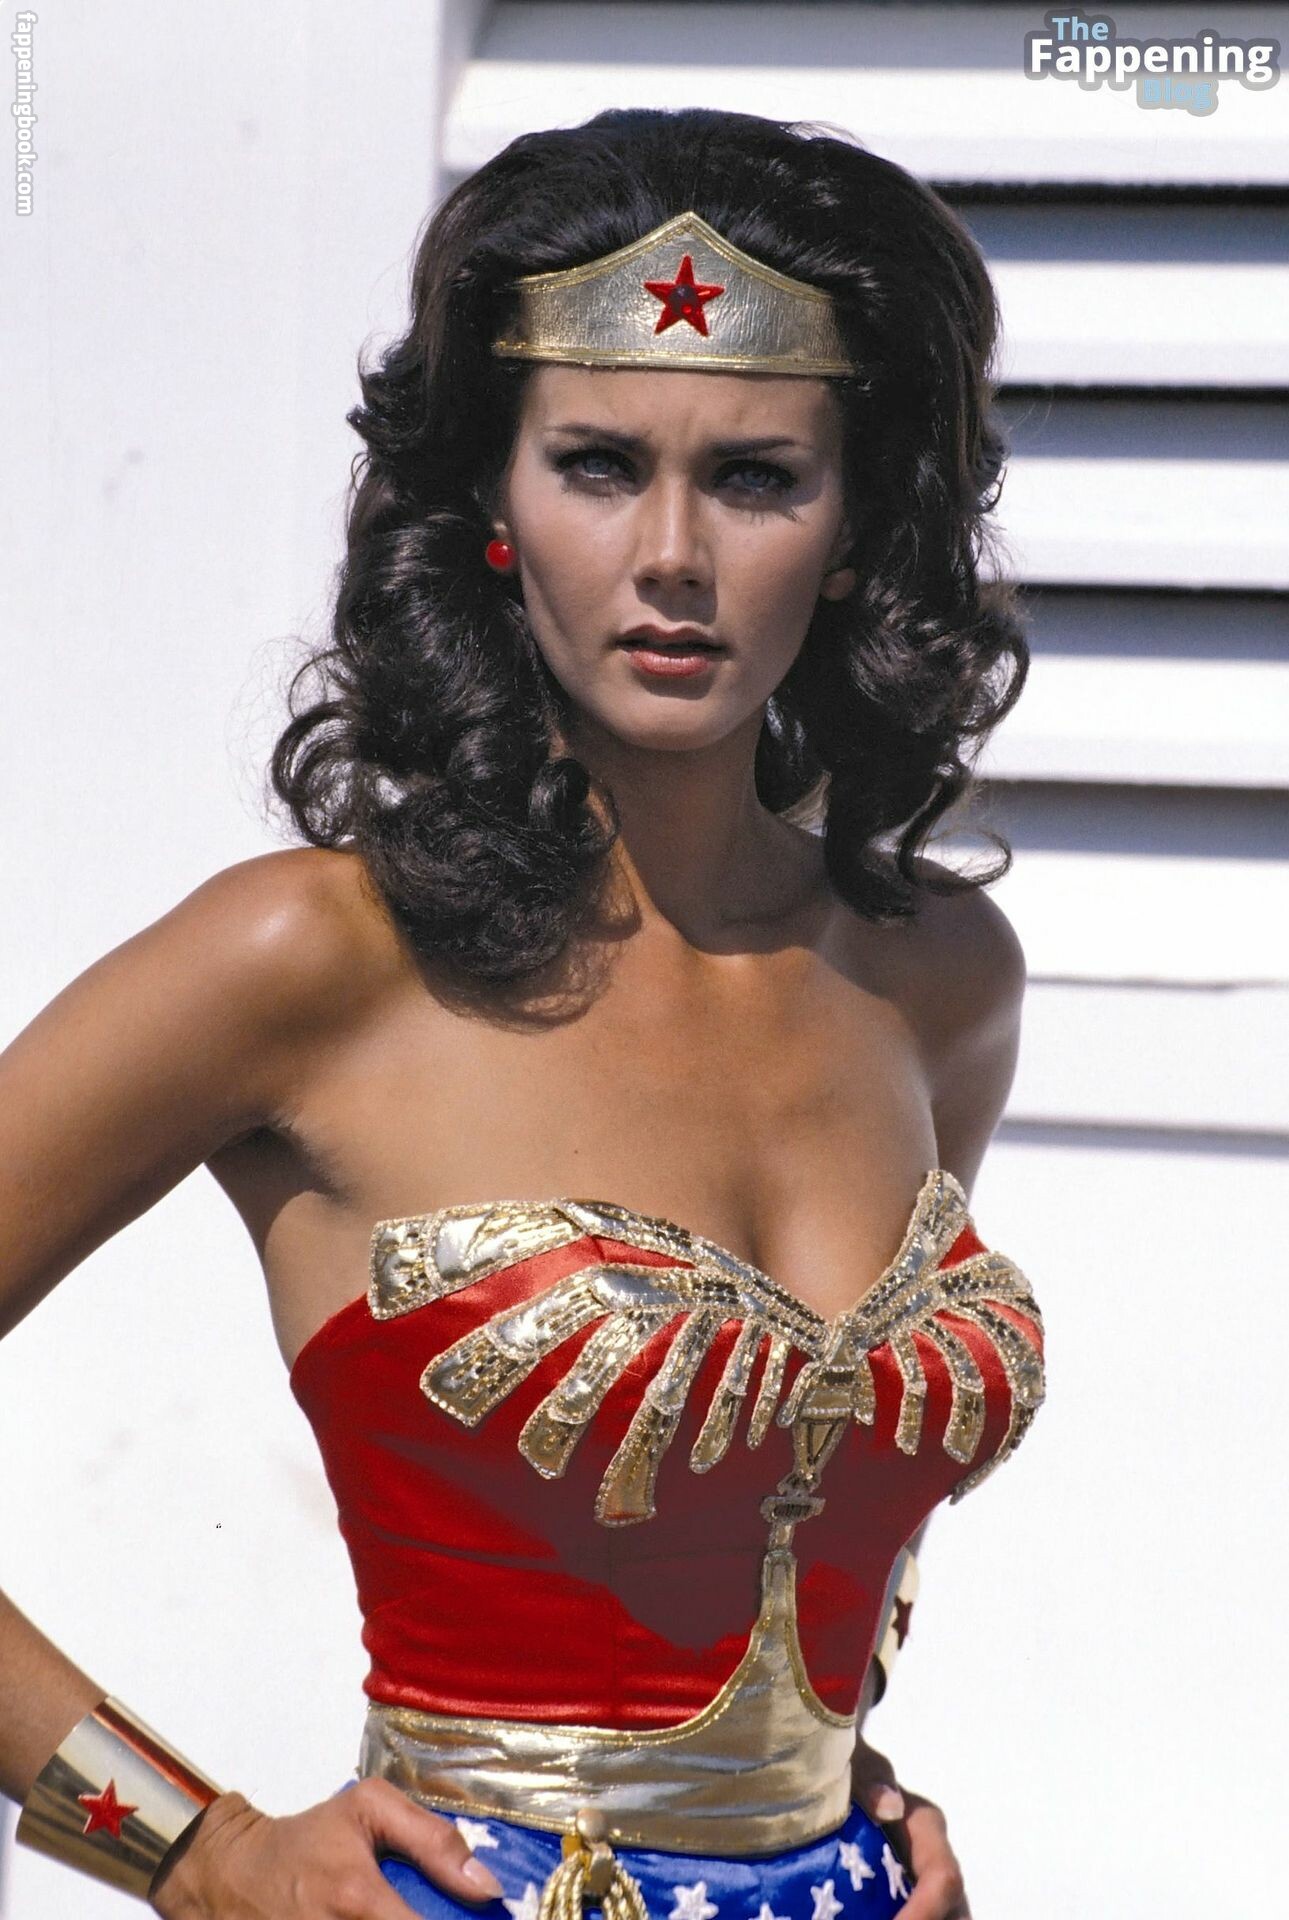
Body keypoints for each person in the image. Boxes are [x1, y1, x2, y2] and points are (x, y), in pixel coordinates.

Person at [0, 106, 1045, 1920]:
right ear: (488, 502)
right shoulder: (308, 960)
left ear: (856, 527)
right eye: (595, 464)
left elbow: (809, 1514)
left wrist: (824, 1763)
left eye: (755, 478)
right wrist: (189, 1847)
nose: (671, 552)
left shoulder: (937, 977)